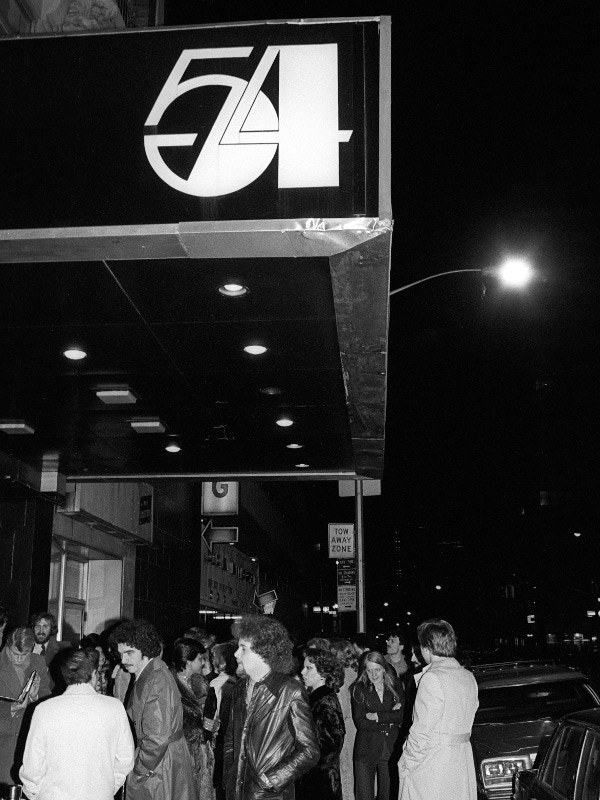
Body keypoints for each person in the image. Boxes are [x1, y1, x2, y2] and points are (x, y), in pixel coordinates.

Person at [224, 614, 319, 800]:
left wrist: (272, 780)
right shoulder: (239, 689)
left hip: (270, 795)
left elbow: (310, 750)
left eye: (243, 648)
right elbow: (230, 739)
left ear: (263, 652)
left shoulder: (290, 691)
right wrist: (229, 775)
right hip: (237, 792)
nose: (236, 654)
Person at [19, 648, 134, 799]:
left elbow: (32, 767)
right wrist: (109, 786)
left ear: (65, 676)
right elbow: (125, 760)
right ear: (93, 674)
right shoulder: (115, 708)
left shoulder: (44, 710)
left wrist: (35, 794)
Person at [111, 619, 198, 800]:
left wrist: (139, 770)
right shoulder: (150, 672)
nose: (123, 660)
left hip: (160, 764)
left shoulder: (156, 679)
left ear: (146, 649)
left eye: (129, 653)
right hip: (162, 759)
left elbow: (157, 738)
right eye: (121, 654)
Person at [398, 619, 479, 800]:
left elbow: (422, 732)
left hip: (434, 763)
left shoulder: (432, 678)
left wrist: (406, 763)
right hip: (461, 760)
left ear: (426, 647)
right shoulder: (467, 676)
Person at [0, 627, 51, 784]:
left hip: (29, 739)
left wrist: (35, 696)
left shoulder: (38, 662)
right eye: (15, 654)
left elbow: (47, 700)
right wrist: (11, 708)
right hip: (3, 739)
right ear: (8, 646)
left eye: (25, 655)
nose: (20, 659)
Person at [352, 651, 404, 800]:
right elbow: (361, 722)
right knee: (364, 796)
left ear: (384, 669)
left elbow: (401, 716)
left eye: (377, 670)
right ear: (364, 671)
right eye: (369, 670)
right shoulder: (359, 689)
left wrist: (377, 716)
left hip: (390, 748)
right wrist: (389, 718)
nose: (374, 675)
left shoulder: (395, 685)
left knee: (388, 795)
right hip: (366, 749)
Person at [297, 647, 345, 800]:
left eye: (309, 668)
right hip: (312, 779)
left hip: (320, 783)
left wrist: (304, 762)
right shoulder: (315, 699)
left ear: (323, 673)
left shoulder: (327, 702)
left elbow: (332, 746)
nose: (303, 672)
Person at [171, 637, 215, 800]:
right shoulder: (169, 684)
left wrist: (214, 726)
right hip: (180, 755)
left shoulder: (203, 683)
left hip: (203, 754)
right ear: (188, 661)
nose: (203, 663)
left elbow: (211, 716)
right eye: (200, 658)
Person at [203, 642, 238, 800]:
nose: (211, 660)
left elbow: (212, 715)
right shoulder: (238, 682)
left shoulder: (215, 684)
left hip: (220, 742)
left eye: (214, 657)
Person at [329, 639, 357, 800]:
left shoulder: (341, 676)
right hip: (356, 725)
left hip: (346, 725)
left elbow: (343, 707)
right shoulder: (357, 670)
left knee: (346, 766)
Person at [29, 612, 71, 693]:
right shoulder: (24, 648)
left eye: (45, 627)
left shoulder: (63, 650)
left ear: (52, 628)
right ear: (33, 628)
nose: (41, 631)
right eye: (37, 626)